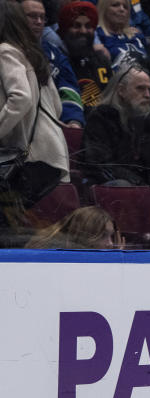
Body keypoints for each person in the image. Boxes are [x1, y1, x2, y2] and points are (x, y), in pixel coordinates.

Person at [0, 1, 69, 244]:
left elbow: (21, 97)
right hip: (52, 156)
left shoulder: (5, 51)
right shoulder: (32, 54)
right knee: (9, 223)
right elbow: (58, 107)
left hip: (28, 157)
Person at [81, 64, 150, 212]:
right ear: (121, 90)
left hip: (142, 187)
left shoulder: (149, 122)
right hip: (110, 187)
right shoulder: (100, 118)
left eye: (149, 90)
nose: (147, 95)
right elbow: (103, 166)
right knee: (123, 187)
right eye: (140, 88)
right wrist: (145, 189)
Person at [21, 0, 84, 127]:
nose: (39, 22)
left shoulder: (55, 53)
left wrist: (73, 120)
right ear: (18, 19)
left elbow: (68, 88)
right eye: (33, 16)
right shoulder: (7, 50)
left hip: (58, 123)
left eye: (42, 17)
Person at [58, 1, 112, 111]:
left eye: (88, 26)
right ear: (65, 29)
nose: (83, 31)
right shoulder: (58, 62)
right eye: (77, 26)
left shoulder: (102, 60)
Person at [26, 205, 123, 249]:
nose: (110, 244)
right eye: (103, 235)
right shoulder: (54, 254)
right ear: (86, 233)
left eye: (111, 236)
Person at [96, 0, 148, 68]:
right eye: (115, 5)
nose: (121, 9)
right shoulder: (97, 37)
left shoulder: (136, 35)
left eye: (125, 7)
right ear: (103, 9)